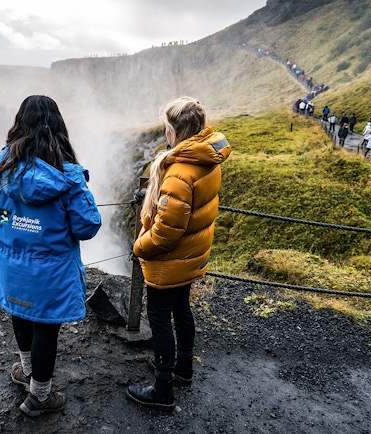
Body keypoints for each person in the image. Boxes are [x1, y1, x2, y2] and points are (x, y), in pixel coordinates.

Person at [0, 95, 102, 417]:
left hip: (11, 263)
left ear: (19, 123)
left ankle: (25, 372)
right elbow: (88, 226)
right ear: (57, 127)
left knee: (20, 314)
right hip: (51, 272)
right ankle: (40, 397)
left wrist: (14, 223)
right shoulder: (68, 177)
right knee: (46, 328)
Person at [126, 96, 231, 412]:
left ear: (177, 131)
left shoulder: (178, 173)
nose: (165, 134)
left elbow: (165, 233)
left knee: (158, 316)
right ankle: (182, 367)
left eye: (167, 128)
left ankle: (162, 389)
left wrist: (138, 247)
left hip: (169, 263)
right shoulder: (206, 158)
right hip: (191, 256)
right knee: (181, 308)